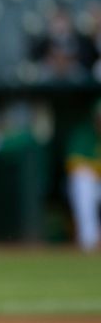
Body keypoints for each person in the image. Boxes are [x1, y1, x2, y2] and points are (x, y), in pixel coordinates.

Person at [65, 98, 101, 251]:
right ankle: (90, 240)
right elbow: (74, 165)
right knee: (82, 182)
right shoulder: (84, 133)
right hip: (92, 184)